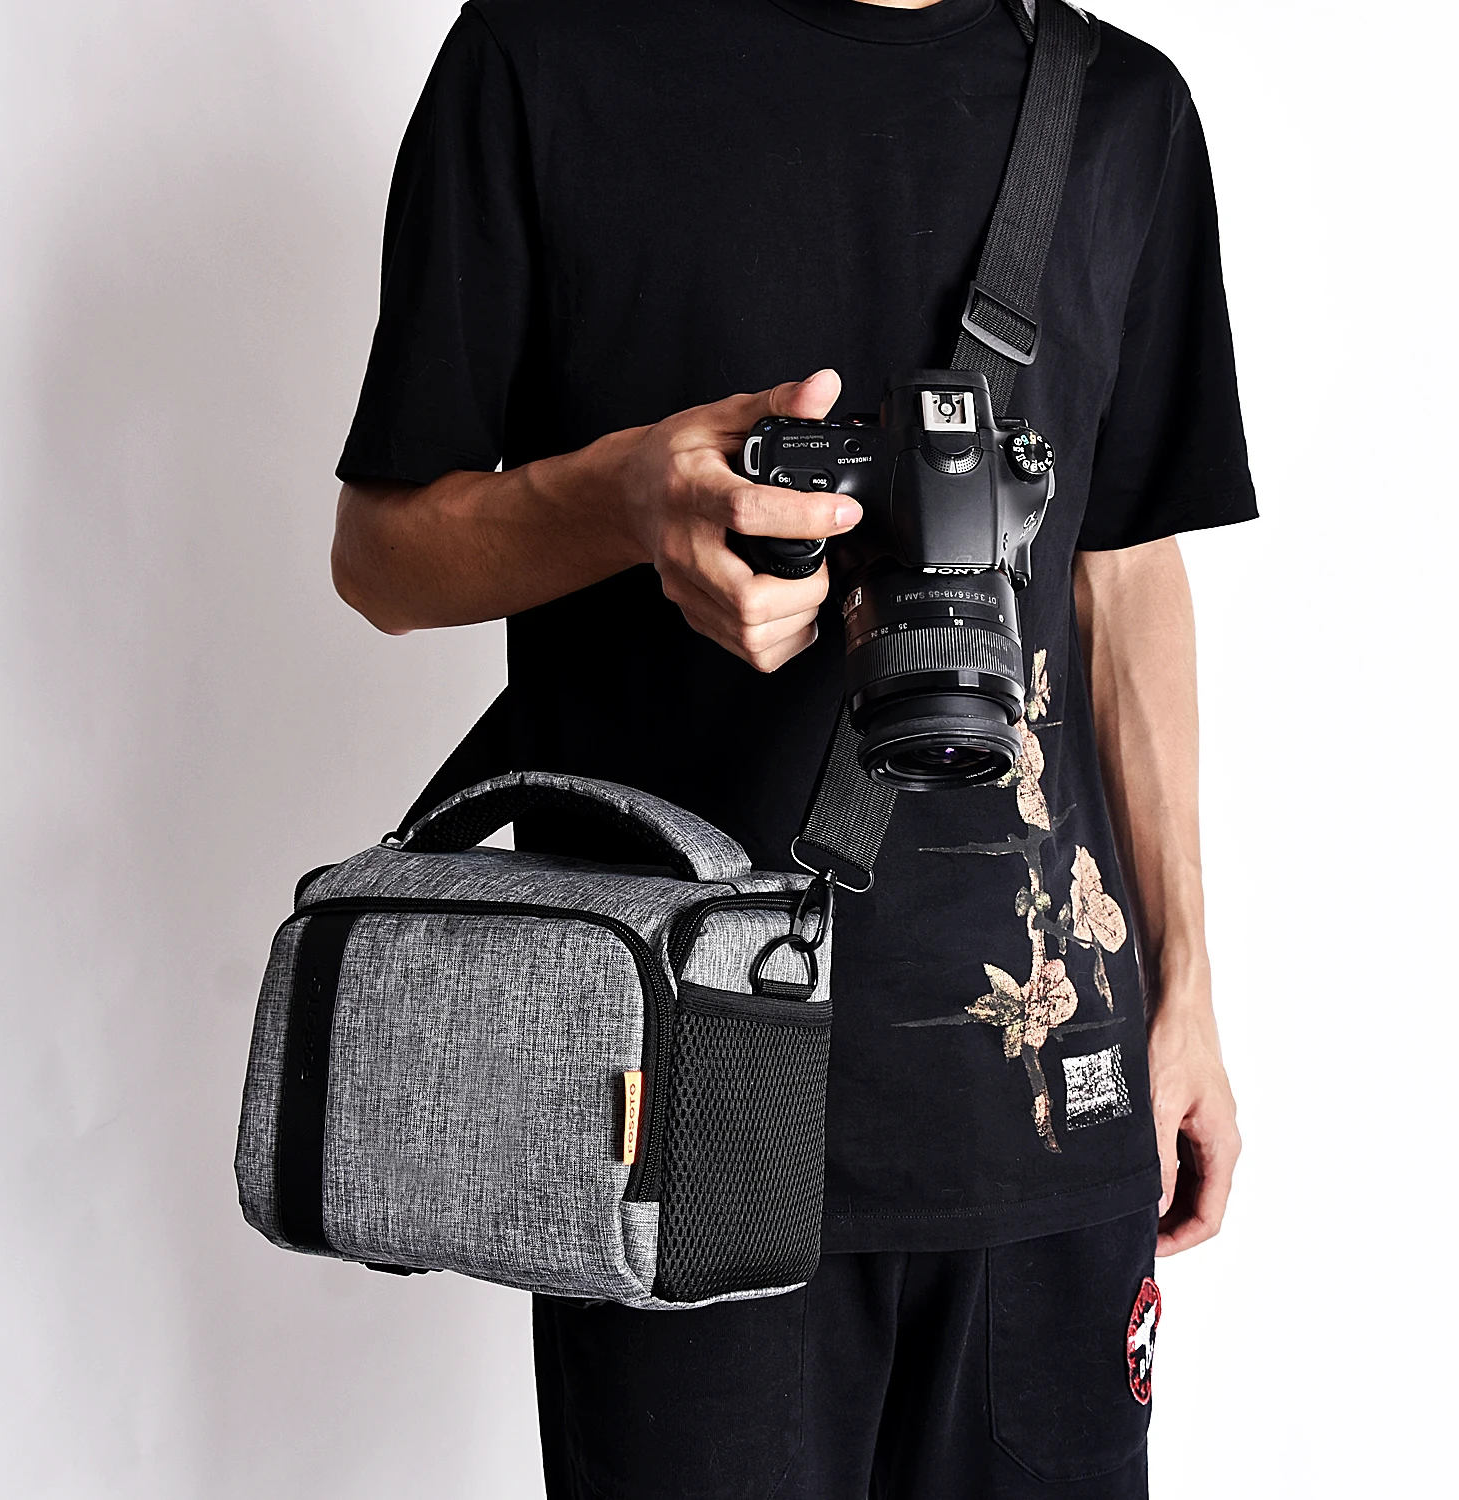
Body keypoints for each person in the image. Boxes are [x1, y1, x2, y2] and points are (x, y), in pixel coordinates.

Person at [330, 1, 1255, 1494]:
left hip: (1049, 1082)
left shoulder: (1118, 108)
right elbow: (381, 557)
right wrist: (627, 499)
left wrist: (1188, 984)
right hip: (674, 1095)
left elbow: (1124, 563)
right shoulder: (548, 51)